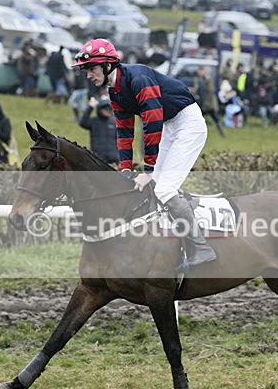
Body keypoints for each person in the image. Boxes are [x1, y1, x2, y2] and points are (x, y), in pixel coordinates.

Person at [72, 37, 216, 266]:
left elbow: (152, 123)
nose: (88, 75)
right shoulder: (115, 91)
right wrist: (126, 169)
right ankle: (165, 247)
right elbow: (124, 131)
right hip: (170, 125)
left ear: (108, 65)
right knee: (154, 188)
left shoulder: (138, 78)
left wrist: (148, 169)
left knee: (165, 189)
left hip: (188, 124)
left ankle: (201, 247)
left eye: (91, 68)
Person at [78, 96, 118, 164]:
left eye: (109, 109)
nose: (108, 111)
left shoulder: (113, 122)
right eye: (105, 109)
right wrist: (90, 107)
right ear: (99, 110)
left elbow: (119, 139)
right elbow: (83, 123)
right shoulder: (94, 121)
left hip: (113, 157)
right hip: (98, 157)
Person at [192, 65, 224, 137]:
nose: (199, 72)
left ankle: (222, 133)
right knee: (198, 119)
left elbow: (210, 91)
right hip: (203, 103)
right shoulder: (199, 79)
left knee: (216, 118)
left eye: (200, 71)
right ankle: (197, 134)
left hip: (209, 103)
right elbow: (196, 89)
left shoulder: (207, 79)